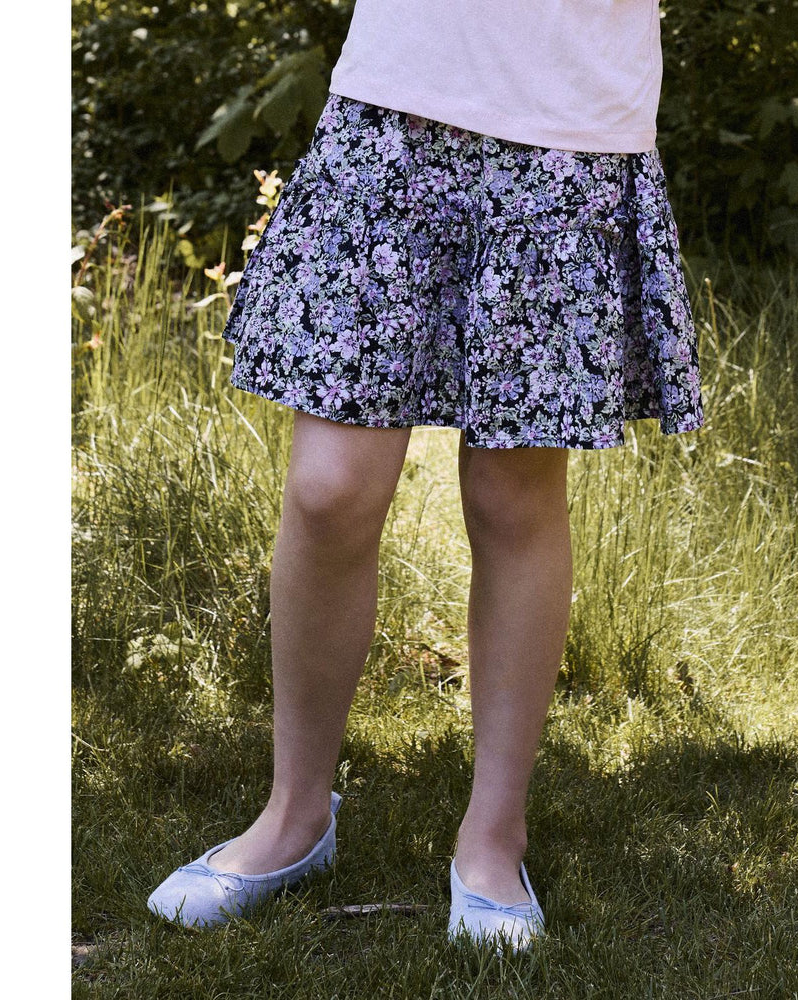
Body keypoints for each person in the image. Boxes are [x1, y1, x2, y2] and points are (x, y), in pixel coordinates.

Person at [148, 0, 705, 952]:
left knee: (512, 494)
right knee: (329, 490)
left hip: (568, 119)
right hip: (394, 98)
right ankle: (294, 816)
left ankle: (493, 839)